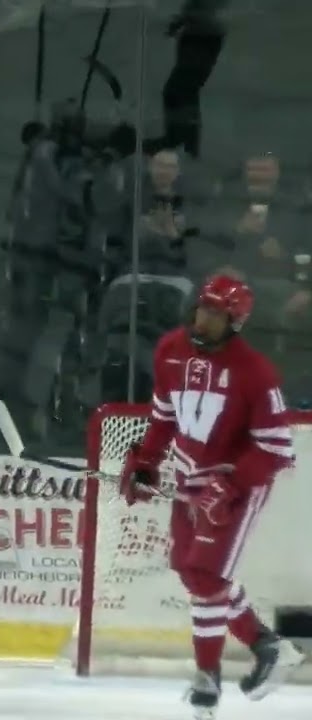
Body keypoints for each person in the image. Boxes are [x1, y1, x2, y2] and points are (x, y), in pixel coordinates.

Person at [118, 274, 305, 719]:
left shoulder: (255, 373)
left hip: (236, 483)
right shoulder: (170, 351)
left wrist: (230, 485)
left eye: (217, 314)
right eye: (203, 308)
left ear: (235, 322)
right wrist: (146, 462)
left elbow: (277, 449)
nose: (205, 318)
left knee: (205, 577)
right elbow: (164, 417)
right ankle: (267, 647)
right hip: (189, 474)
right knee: (192, 571)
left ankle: (207, 681)